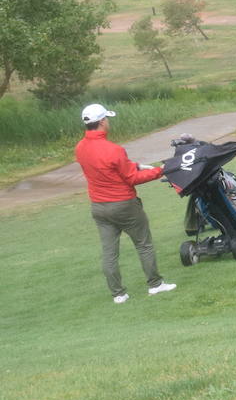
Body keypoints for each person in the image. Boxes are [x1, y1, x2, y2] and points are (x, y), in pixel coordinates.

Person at [74, 103, 176, 302]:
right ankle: (155, 285)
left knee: (109, 252)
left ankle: (118, 294)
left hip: (98, 207)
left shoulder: (80, 148)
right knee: (143, 245)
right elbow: (132, 178)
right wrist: (161, 170)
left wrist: (136, 165)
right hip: (123, 204)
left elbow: (106, 167)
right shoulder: (114, 149)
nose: (108, 122)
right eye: (107, 119)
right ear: (102, 121)